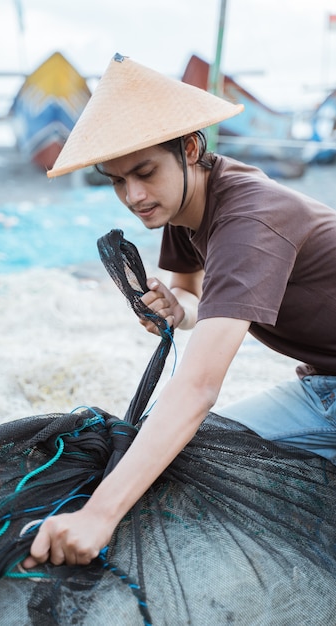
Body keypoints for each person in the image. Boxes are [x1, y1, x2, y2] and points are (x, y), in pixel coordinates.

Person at [23, 53, 336, 570]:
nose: (135, 196)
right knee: (189, 455)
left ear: (190, 147)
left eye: (145, 172)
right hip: (322, 389)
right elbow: (190, 295)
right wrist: (177, 308)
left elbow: (197, 388)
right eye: (117, 181)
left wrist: (100, 515)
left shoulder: (250, 218)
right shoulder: (181, 208)